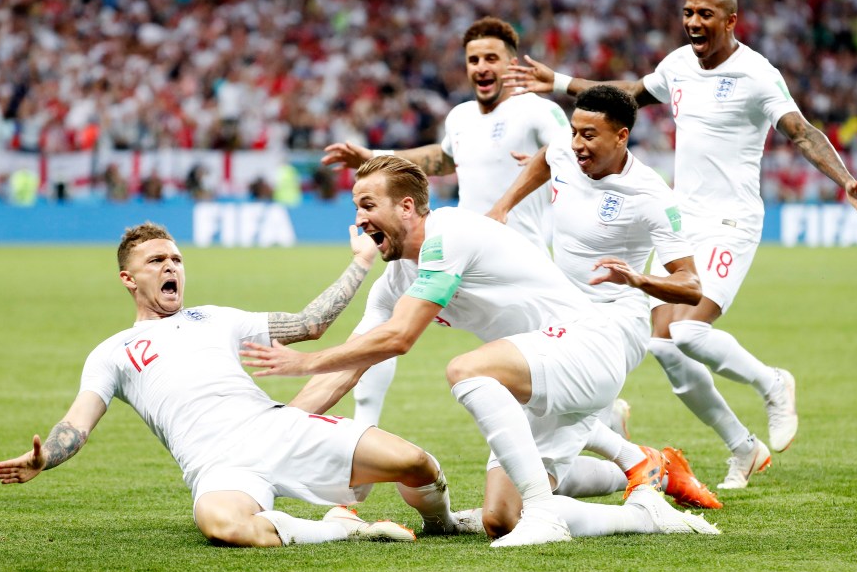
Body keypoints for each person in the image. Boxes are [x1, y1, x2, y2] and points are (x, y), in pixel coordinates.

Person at [506, 0, 857, 488]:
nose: (694, 22)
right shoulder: (679, 63)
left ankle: (772, 383)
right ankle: (742, 447)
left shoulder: (757, 74)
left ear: (731, 22)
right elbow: (627, 97)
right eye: (688, 13)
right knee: (663, 346)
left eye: (705, 14)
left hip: (732, 221)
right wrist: (560, 80)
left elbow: (801, 131)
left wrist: (846, 181)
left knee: (687, 331)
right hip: (685, 217)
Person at [242, 155, 720, 547]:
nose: (359, 218)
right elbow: (351, 365)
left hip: (585, 346)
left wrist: (304, 359)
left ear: (407, 207)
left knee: (467, 369)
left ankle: (546, 511)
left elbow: (400, 338)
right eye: (355, 206)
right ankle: (644, 510)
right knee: (499, 518)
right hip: (534, 374)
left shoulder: (450, 233)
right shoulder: (394, 282)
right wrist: (269, 434)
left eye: (368, 204)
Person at [0, 222, 479, 547]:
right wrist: (45, 457)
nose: (170, 268)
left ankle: (445, 522)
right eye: (156, 261)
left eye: (176, 259)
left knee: (415, 464)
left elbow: (310, 324)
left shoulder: (215, 318)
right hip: (215, 463)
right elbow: (78, 423)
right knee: (222, 525)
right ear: (128, 278)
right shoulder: (112, 352)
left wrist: (360, 262)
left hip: (274, 428)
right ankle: (342, 530)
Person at [320, 16, 577, 433]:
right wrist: (373, 155)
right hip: (451, 256)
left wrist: (506, 201)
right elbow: (440, 159)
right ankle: (360, 437)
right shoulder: (459, 117)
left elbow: (567, 145)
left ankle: (608, 430)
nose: (481, 66)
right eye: (473, 58)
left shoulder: (536, 110)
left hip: (513, 271)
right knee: (381, 318)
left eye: (491, 57)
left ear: (512, 64)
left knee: (546, 389)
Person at [487, 85, 720, 509]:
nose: (577, 144)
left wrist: (637, 280)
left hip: (617, 322)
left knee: (537, 415)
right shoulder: (566, 149)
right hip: (562, 314)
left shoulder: (650, 195)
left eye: (589, 135)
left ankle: (624, 446)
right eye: (575, 131)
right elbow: (546, 158)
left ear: (622, 136)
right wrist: (504, 205)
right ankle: (655, 465)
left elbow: (691, 284)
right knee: (541, 477)